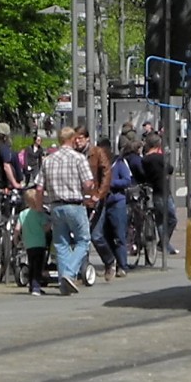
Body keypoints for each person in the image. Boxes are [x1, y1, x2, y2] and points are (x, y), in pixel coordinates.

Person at [35, 126, 94, 295]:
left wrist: (39, 209)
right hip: (74, 204)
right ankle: (69, 273)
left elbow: (39, 188)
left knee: (61, 244)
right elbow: (88, 183)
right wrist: (90, 192)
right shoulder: (78, 158)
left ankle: (64, 284)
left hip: (55, 206)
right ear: (71, 139)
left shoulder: (48, 160)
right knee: (83, 240)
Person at [74, 125, 116, 280]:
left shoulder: (97, 153)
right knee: (81, 236)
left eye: (80, 138)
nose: (77, 142)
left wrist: (99, 194)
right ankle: (83, 270)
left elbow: (106, 173)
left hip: (95, 199)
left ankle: (109, 261)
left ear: (87, 139)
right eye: (75, 139)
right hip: (78, 200)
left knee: (95, 235)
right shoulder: (73, 154)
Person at [101, 138, 135, 277]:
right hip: (103, 203)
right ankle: (110, 263)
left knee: (119, 235)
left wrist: (112, 183)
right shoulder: (99, 164)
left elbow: (127, 180)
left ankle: (123, 265)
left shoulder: (119, 162)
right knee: (105, 234)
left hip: (117, 202)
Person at [140, 133, 177, 255]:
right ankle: (163, 243)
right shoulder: (159, 158)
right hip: (164, 191)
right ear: (157, 145)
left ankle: (165, 245)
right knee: (172, 219)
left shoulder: (144, 159)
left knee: (160, 221)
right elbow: (170, 169)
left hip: (153, 192)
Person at [16, 188, 50, 296]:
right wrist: (52, 223)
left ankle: (31, 286)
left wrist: (15, 238)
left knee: (31, 264)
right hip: (40, 244)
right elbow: (45, 228)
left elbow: (17, 229)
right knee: (38, 266)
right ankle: (36, 287)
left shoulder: (22, 214)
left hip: (28, 244)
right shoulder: (40, 215)